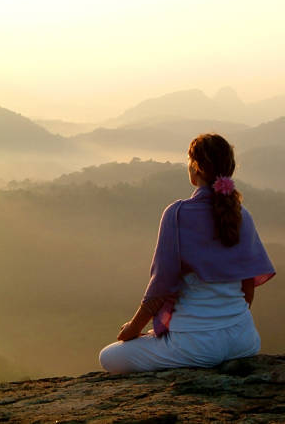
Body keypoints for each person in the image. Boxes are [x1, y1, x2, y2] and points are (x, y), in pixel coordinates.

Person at [99, 133, 275, 373]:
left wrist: (133, 327)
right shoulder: (242, 215)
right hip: (245, 340)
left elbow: (161, 284)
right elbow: (248, 286)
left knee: (108, 356)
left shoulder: (177, 214)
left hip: (195, 346)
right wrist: (228, 325)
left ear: (196, 169)